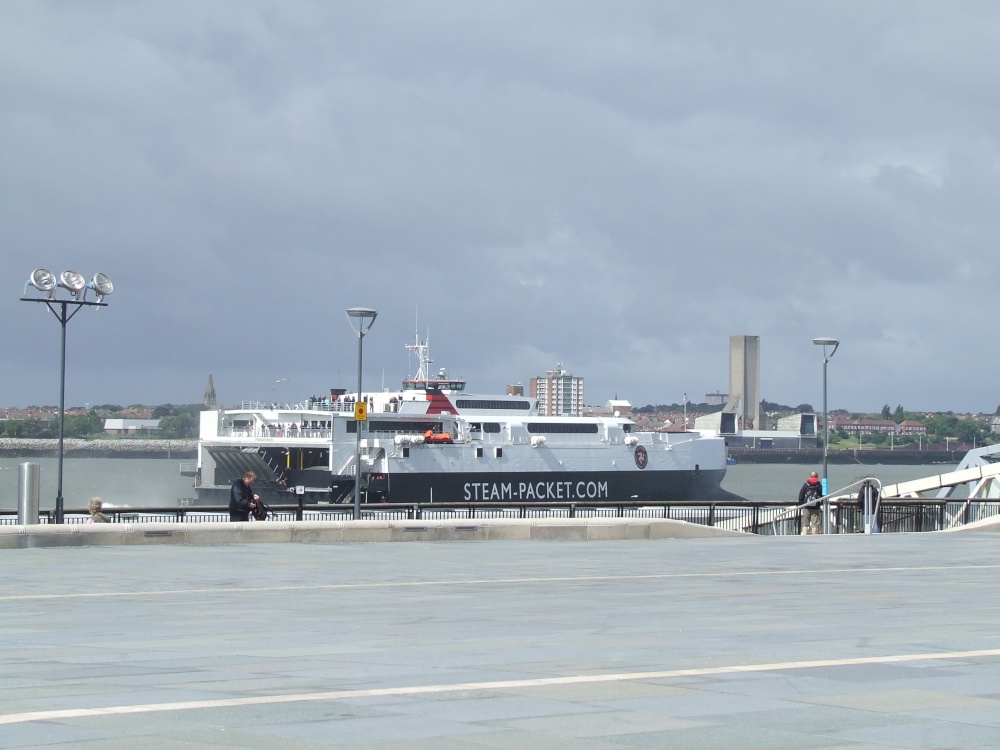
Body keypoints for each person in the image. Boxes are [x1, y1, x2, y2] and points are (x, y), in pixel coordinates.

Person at [798, 471, 823, 535]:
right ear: (817, 477)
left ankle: (805, 536)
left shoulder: (806, 484)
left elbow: (801, 494)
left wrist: (802, 503)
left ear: (810, 476)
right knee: (815, 523)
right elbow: (821, 495)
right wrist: (820, 503)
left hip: (806, 506)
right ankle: (814, 537)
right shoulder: (819, 485)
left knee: (805, 523)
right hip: (816, 507)